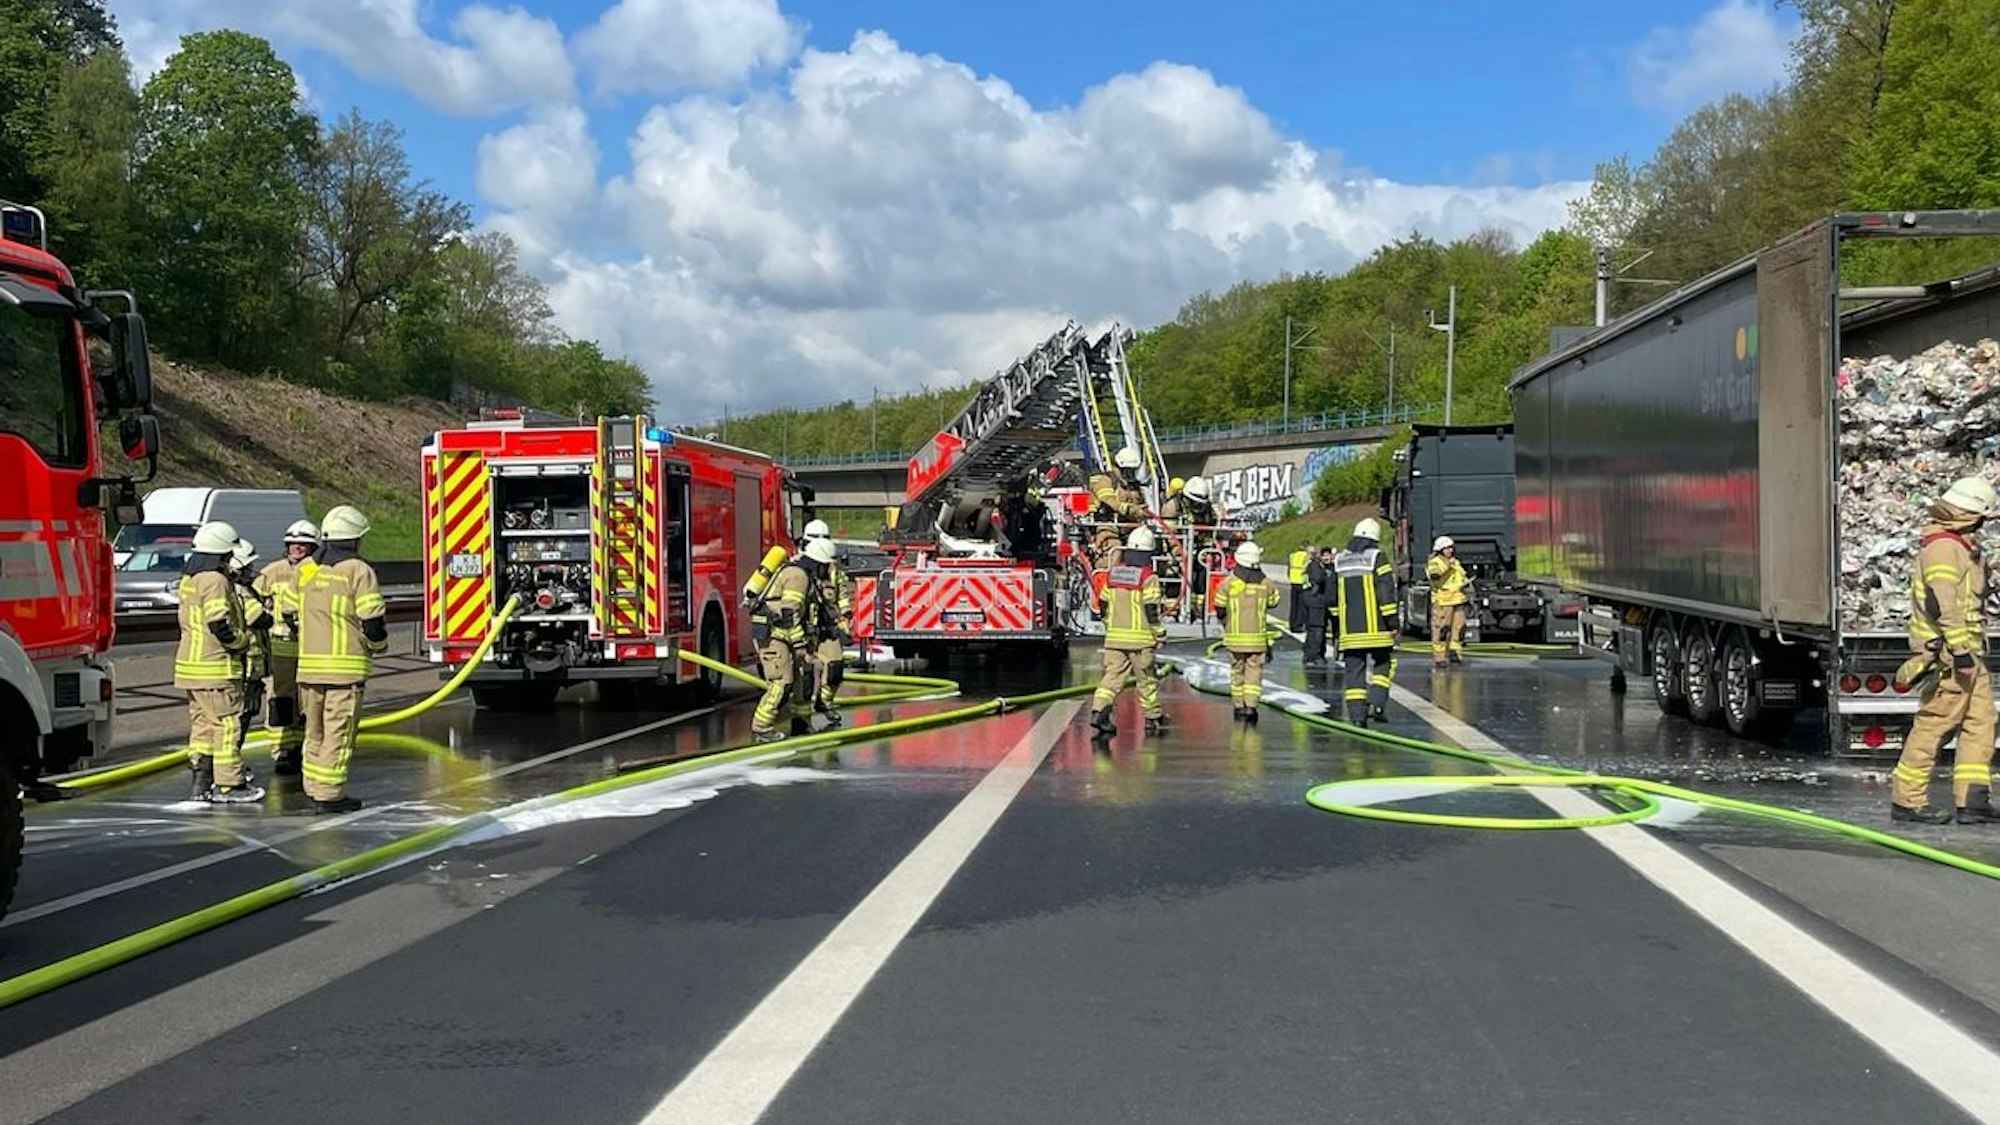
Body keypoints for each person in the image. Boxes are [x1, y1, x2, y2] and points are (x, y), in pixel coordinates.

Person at [1889, 476, 2000, 825]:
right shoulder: (1942, 549)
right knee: (1935, 724)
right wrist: (1960, 650)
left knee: (1981, 722)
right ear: (1971, 514)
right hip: (1951, 657)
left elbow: (1974, 591)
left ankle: (1973, 800)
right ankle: (1907, 801)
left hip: (1968, 652)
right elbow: (1944, 603)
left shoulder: (1961, 547)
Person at [293, 505, 388, 814]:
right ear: (355, 539)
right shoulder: (358, 571)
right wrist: (379, 644)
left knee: (314, 731)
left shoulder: (307, 569)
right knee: (338, 731)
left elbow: (292, 610)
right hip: (344, 670)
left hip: (308, 668)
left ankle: (313, 787)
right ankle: (330, 794)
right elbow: (372, 619)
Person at [175, 520, 264, 804]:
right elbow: (219, 624)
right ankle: (231, 785)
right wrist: (241, 643)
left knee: (203, 728)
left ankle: (201, 782)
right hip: (215, 667)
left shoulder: (189, 581)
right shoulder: (215, 580)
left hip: (191, 667)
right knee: (227, 725)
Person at [1089, 527, 1167, 738]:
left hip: (1114, 639)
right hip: (1141, 641)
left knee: (1111, 678)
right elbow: (1151, 609)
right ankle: (1153, 717)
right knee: (1147, 679)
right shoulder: (1148, 577)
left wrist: (1109, 625)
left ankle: (1099, 711)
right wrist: (1159, 633)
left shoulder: (1114, 574)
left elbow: (1103, 603)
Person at [750, 539, 832, 742]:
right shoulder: (798, 576)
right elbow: (790, 613)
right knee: (781, 681)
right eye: (825, 565)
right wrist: (799, 644)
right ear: (818, 562)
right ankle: (761, 728)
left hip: (783, 635)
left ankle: (802, 723)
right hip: (775, 636)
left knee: (801, 680)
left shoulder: (802, 574)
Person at [257, 519, 319, 773]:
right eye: (293, 543)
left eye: (303, 543)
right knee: (280, 700)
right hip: (280, 645)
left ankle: (306, 747)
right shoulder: (272, 571)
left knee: (309, 701)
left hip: (311, 645)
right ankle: (283, 750)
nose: (297, 548)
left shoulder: (319, 571)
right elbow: (252, 600)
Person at [1334, 518, 1399, 727]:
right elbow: (1386, 591)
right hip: (1377, 629)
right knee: (1383, 664)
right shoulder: (1376, 557)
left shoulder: (1340, 560)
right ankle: (1378, 703)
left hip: (1350, 632)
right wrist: (1392, 621)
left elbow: (1332, 598)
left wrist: (1337, 628)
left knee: (1354, 673)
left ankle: (1357, 717)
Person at [1215, 541, 1280, 720]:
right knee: (1254, 673)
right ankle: (1251, 707)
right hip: (1257, 639)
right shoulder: (1266, 583)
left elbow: (1219, 607)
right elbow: (1275, 602)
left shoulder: (1228, 583)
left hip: (1234, 639)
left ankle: (1238, 706)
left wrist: (1226, 624)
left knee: (1237, 673)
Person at [227, 538, 272, 773]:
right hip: (247, 665)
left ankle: (231, 761)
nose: (250, 571)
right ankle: (232, 763)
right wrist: (269, 609)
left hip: (250, 664)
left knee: (244, 714)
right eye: (246, 567)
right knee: (241, 716)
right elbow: (259, 619)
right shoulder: (240, 590)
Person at [801, 519, 852, 728]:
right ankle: (802, 718)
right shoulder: (798, 567)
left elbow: (841, 593)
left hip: (827, 626)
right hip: (803, 630)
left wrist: (845, 616)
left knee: (835, 667)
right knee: (804, 675)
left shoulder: (832, 568)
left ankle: (825, 702)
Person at [1088, 446, 1151, 559]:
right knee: (1114, 551)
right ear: (1118, 467)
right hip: (1107, 525)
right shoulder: (1105, 480)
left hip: (1129, 527)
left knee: (1147, 545)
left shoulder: (1132, 486)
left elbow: (1139, 505)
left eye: (1133, 470)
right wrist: (1132, 509)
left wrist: (1142, 511)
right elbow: (1109, 500)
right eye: (1128, 470)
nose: (1130, 474)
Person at [1427, 535, 1471, 668]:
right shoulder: (1435, 562)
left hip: (1458, 599)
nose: (1450, 550)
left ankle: (1455, 653)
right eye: (1447, 548)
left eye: (1451, 548)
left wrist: (1466, 584)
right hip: (1443, 601)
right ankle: (1439, 657)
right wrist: (1448, 565)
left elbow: (1460, 577)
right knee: (1442, 628)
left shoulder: (1455, 562)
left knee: (1459, 627)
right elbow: (1435, 575)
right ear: (1440, 550)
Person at [1302, 545, 1335, 666]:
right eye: (1324, 555)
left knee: (1319, 629)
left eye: (1329, 554)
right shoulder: (1315, 566)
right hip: (1315, 602)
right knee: (1316, 630)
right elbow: (1318, 579)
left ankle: (1318, 654)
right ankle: (1313, 656)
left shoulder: (1330, 568)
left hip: (1322, 603)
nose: (1327, 557)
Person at [1287, 543, 1313, 631]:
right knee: (1302, 606)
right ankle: (1299, 625)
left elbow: (1289, 568)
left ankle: (1292, 624)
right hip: (1302, 582)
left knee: (1294, 605)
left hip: (1293, 581)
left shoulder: (1292, 555)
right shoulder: (1307, 556)